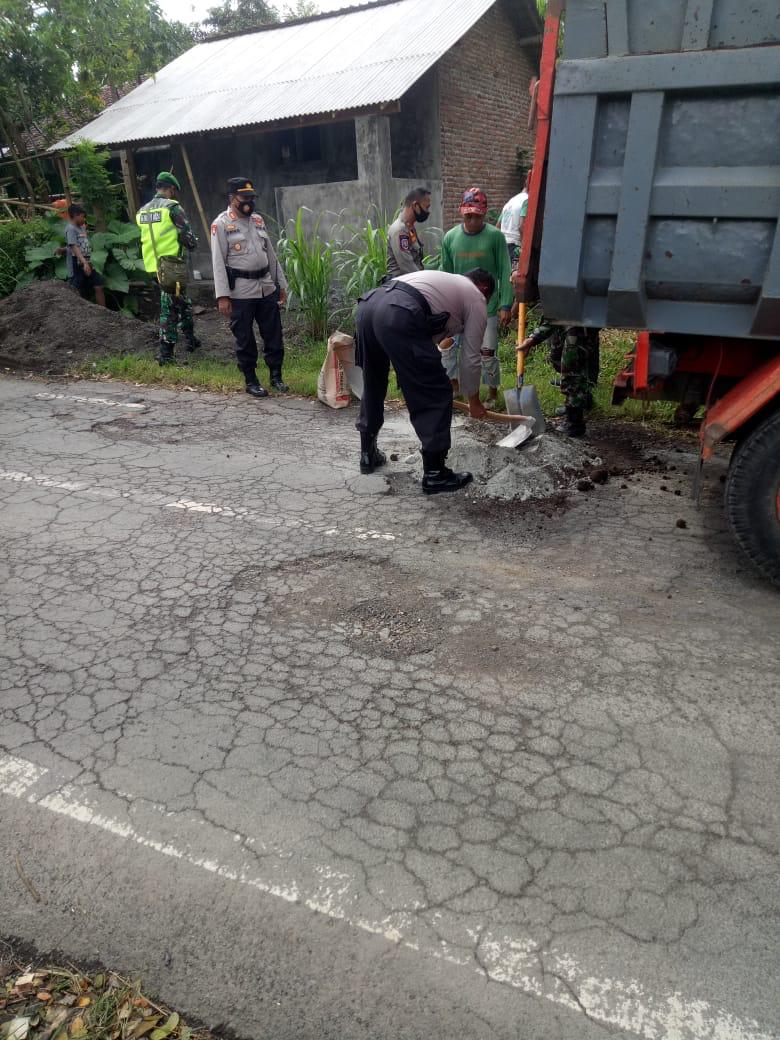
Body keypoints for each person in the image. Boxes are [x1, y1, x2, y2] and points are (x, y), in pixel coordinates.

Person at [356, 268, 494, 495]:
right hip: (397, 311)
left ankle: (367, 454)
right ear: (485, 289)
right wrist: (474, 401)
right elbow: (470, 358)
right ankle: (435, 474)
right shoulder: (476, 297)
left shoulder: (445, 284)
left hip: (369, 305)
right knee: (437, 390)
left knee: (374, 381)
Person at [211, 177, 289, 398]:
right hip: (241, 291)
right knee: (245, 338)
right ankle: (251, 380)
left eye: (251, 197)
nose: (249, 201)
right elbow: (218, 262)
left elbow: (270, 255)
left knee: (273, 335)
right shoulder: (222, 224)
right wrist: (223, 296)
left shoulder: (257, 221)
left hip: (265, 287)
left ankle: (276, 376)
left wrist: (280, 284)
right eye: (244, 197)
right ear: (232, 198)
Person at [439, 187, 513, 409]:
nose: (472, 220)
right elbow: (445, 274)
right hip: (457, 308)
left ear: (484, 214)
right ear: (462, 212)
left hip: (487, 307)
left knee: (487, 352)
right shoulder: (450, 238)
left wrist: (505, 304)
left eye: (476, 216)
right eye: (468, 215)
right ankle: (454, 387)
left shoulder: (495, 237)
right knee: (446, 347)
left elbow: (504, 270)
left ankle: (491, 392)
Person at [136, 172, 199, 365]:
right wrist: (193, 244)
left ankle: (191, 339)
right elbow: (187, 236)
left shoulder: (142, 211)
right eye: (174, 191)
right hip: (171, 266)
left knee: (181, 300)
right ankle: (165, 352)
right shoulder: (172, 207)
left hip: (152, 266)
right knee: (169, 307)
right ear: (171, 189)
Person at [519, 321, 600, 437]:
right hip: (564, 321)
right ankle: (581, 399)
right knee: (557, 357)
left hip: (579, 323)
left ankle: (575, 422)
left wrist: (533, 338)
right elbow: (555, 314)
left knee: (571, 369)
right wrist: (533, 338)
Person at [65, 205, 106, 307]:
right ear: (75, 215)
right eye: (82, 217)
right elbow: (74, 246)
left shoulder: (82, 227)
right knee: (77, 288)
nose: (84, 219)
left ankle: (104, 312)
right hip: (78, 262)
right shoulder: (70, 229)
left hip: (88, 261)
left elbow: (78, 243)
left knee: (98, 284)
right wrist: (84, 263)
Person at [386, 187, 431, 278]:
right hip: (402, 286)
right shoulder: (400, 230)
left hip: (411, 282)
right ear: (415, 206)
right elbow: (407, 267)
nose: (427, 212)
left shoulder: (409, 227)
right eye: (426, 207)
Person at [498, 175, 529, 265]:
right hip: (515, 246)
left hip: (503, 245)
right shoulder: (527, 200)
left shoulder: (511, 201)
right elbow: (521, 226)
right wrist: (524, 249)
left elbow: (498, 225)